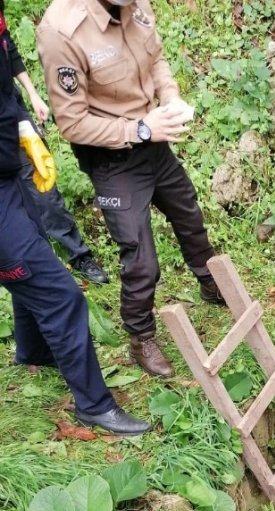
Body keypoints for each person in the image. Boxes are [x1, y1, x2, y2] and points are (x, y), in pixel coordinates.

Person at [37, 0, 225, 379]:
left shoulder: (135, 5)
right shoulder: (62, 31)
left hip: (154, 138)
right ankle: (141, 337)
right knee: (141, 258)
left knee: (188, 213)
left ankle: (210, 284)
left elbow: (155, 58)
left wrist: (169, 97)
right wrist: (138, 130)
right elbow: (72, 124)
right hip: (112, 157)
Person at [0, 6, 148, 436]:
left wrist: (21, 123)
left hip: (9, 174)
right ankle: (95, 406)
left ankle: (32, 351)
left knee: (34, 259)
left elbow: (5, 65)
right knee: (61, 296)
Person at [6, 24, 109, 285]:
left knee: (42, 184)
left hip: (10, 109)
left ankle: (78, 255)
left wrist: (32, 94)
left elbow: (7, 46)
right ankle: (39, 268)